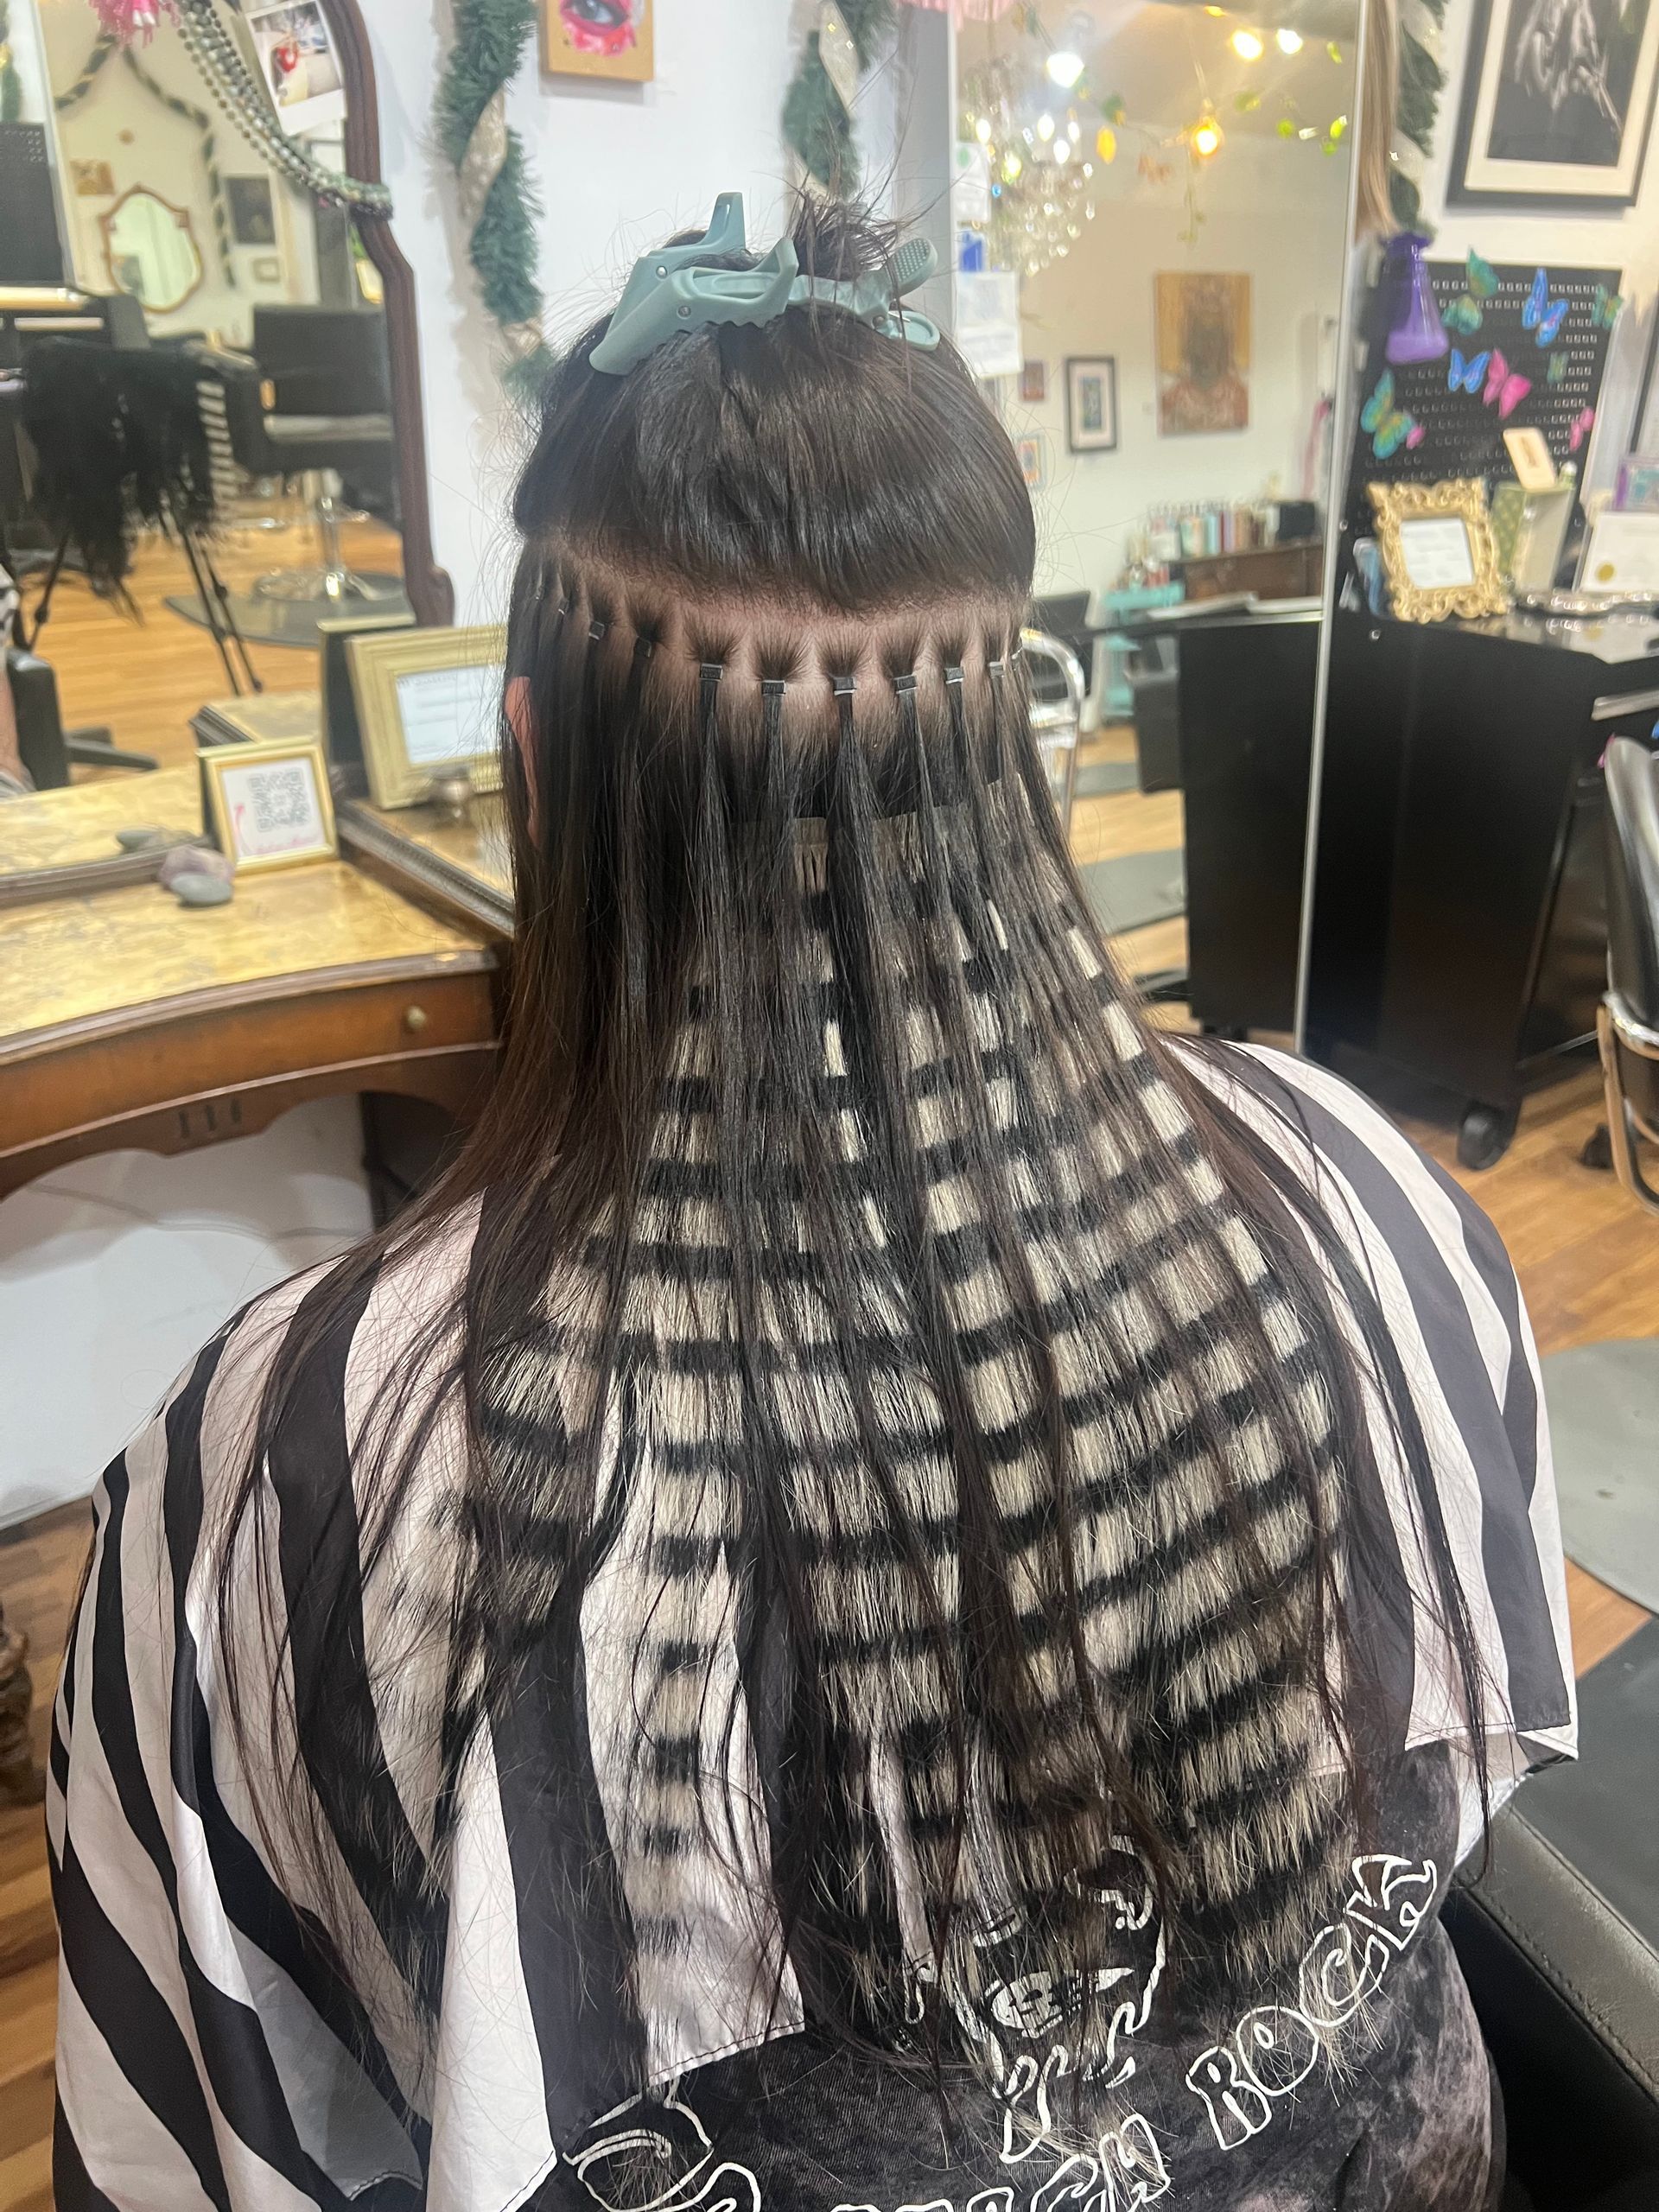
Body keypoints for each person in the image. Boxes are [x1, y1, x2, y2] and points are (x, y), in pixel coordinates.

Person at [50, 200, 1573, 2212]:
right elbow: (1459, 1792)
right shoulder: (1363, 1183)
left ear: (533, 766)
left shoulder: (290, 1459)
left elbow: (219, 2143)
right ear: (1008, 753)